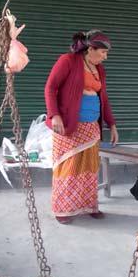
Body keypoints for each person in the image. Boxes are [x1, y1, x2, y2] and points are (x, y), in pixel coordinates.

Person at [44, 30, 118, 224]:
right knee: (68, 168)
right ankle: (63, 209)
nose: (105, 57)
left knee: (89, 168)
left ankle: (88, 205)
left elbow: (104, 98)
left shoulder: (99, 70)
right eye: (102, 52)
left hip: (91, 128)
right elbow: (50, 88)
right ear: (91, 49)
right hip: (69, 127)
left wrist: (112, 124)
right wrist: (55, 115)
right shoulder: (68, 61)